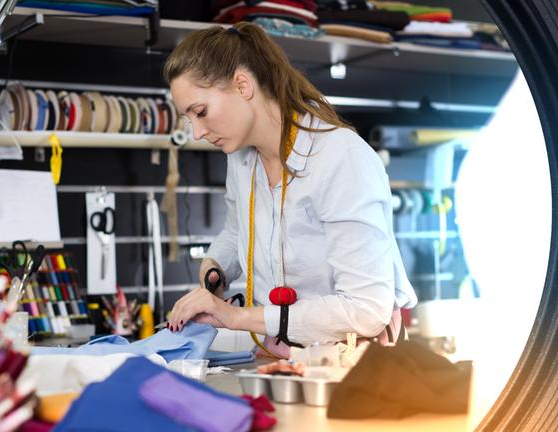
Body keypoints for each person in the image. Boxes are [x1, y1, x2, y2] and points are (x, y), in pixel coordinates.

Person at [165, 22, 417, 358]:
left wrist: (238, 317)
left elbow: (367, 309)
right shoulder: (242, 159)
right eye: (189, 119)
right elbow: (237, 230)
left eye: (200, 112)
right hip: (279, 358)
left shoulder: (340, 158)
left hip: (350, 368)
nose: (196, 132)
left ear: (242, 85)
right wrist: (216, 265)